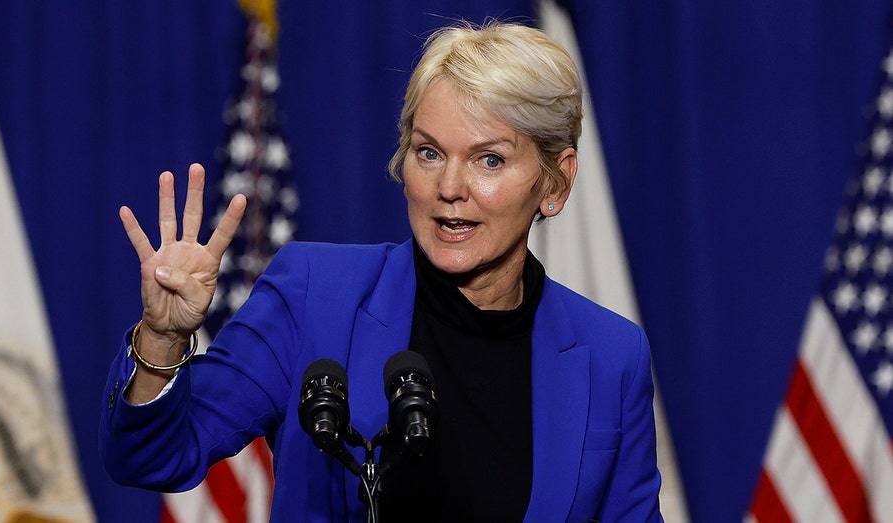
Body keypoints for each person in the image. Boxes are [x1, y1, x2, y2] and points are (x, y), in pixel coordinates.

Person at [100, 20, 664, 522]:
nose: (449, 189)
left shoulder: (611, 356)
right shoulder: (314, 294)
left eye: (489, 159)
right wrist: (163, 338)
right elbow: (152, 457)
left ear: (556, 183)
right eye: (429, 152)